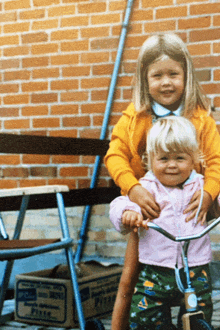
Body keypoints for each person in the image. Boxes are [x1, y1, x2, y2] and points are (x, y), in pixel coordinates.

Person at [104, 33, 220, 330]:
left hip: (188, 212)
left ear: (186, 76)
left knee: (192, 295)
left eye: (173, 74)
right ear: (145, 79)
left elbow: (217, 160)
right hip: (147, 211)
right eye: (157, 75)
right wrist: (134, 188)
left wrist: (208, 194)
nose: (166, 82)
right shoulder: (135, 118)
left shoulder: (200, 118)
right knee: (131, 280)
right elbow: (115, 157)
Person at [109, 116, 213, 329]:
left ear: (193, 159)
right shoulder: (147, 188)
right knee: (146, 315)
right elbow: (119, 204)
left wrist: (212, 196)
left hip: (196, 268)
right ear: (150, 160)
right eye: (164, 159)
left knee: (199, 314)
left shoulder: (201, 187)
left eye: (180, 158)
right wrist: (128, 213)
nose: (172, 165)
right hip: (156, 269)